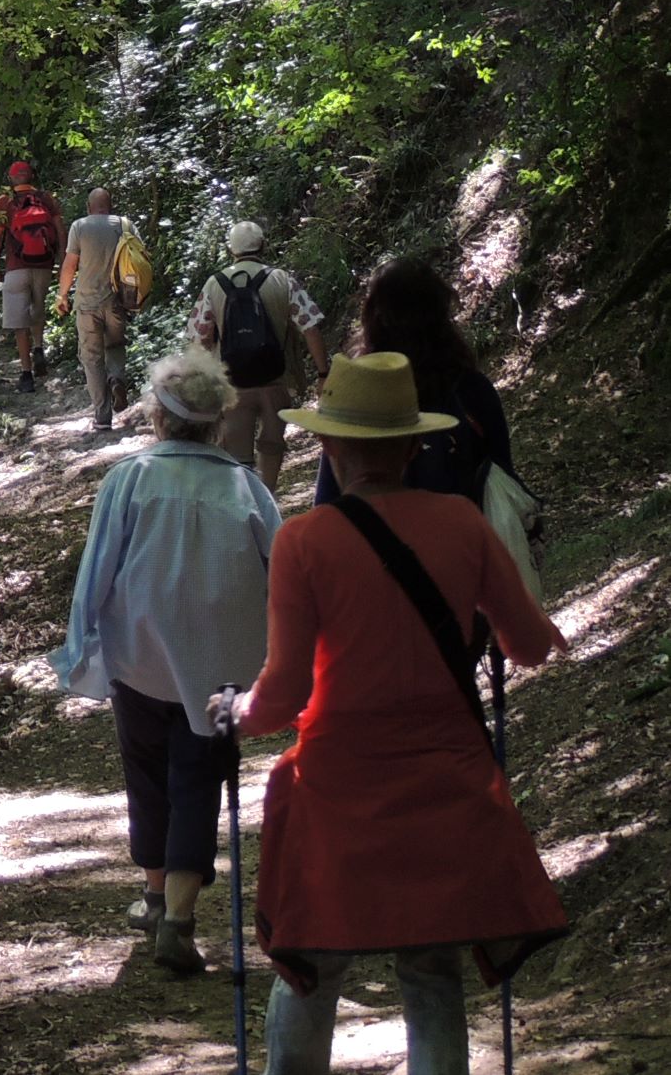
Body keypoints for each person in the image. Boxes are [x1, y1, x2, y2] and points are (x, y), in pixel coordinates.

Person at [220, 352, 567, 1074]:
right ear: (413, 446)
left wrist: (236, 711)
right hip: (448, 782)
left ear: (330, 445)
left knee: (311, 963)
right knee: (433, 971)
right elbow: (530, 647)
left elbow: (283, 695)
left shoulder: (304, 540)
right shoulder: (462, 522)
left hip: (338, 786)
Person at [55, 348, 279, 975]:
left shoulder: (130, 478)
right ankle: (176, 915)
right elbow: (281, 570)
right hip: (224, 669)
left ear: (159, 416)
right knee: (202, 778)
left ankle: (155, 896)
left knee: (148, 772)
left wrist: (81, 646)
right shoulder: (248, 487)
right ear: (218, 423)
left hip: (140, 658)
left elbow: (97, 566)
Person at [312, 256, 514, 508]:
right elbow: (504, 478)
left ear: (373, 317)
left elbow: (328, 497)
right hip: (462, 527)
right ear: (441, 312)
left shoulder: (358, 391)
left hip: (371, 530)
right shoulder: (472, 388)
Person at [190, 221, 329, 485]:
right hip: (277, 378)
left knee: (237, 453)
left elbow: (200, 337)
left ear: (231, 249)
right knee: (272, 445)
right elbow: (311, 327)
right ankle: (268, 496)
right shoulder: (282, 280)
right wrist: (323, 374)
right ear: (263, 245)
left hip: (232, 382)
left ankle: (244, 499)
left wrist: (203, 385)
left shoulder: (214, 284)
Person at [57, 187, 134, 432]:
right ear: (110, 205)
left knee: (92, 358)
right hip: (117, 302)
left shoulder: (79, 226)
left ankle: (102, 416)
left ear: (89, 207)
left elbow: (70, 265)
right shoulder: (124, 225)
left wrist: (62, 295)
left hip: (87, 304)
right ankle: (117, 378)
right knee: (116, 345)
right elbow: (140, 260)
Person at [0, 161, 65, 393]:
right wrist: (63, 261)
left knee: (19, 324)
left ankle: (26, 374)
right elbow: (60, 231)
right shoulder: (47, 199)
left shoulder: (4, 202)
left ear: (11, 179)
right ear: (31, 176)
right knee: (37, 308)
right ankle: (39, 347)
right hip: (44, 266)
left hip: (16, 268)